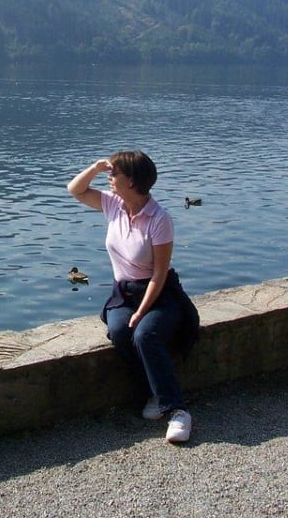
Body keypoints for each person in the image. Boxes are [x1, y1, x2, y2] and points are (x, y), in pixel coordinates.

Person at [67, 150, 199, 444]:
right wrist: (95, 167)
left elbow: (159, 275)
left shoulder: (159, 219)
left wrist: (141, 311)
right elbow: (75, 190)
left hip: (160, 295)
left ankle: (177, 411)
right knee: (118, 331)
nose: (109, 178)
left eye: (114, 174)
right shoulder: (113, 205)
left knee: (144, 334)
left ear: (132, 181)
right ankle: (153, 393)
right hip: (123, 294)